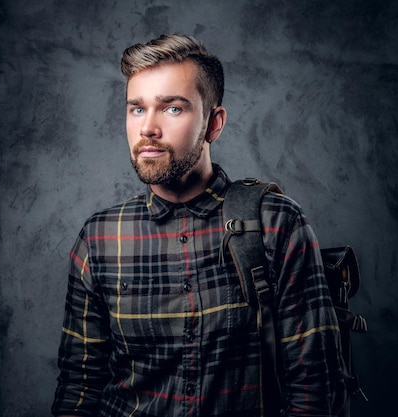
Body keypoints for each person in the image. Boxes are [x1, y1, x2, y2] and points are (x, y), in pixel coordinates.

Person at [51, 34, 346, 417]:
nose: (148, 129)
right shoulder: (100, 239)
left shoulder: (277, 224)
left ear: (213, 123)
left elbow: (314, 389)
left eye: (172, 109)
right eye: (137, 109)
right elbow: (79, 386)